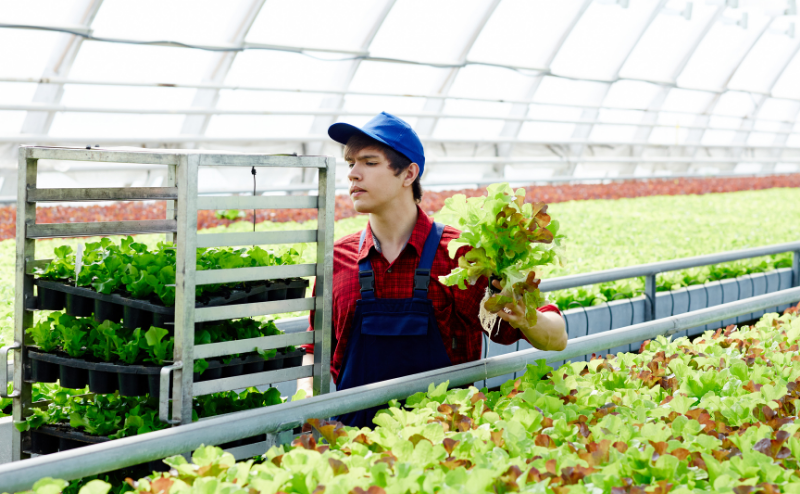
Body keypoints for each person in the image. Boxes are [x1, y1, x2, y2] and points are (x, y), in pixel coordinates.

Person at [303, 112, 566, 427]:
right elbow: (315, 349)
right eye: (350, 163)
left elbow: (556, 337)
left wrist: (526, 318)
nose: (353, 174)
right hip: (353, 444)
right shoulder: (337, 259)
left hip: (444, 444)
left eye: (369, 163)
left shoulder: (463, 256)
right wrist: (305, 400)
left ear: (409, 174)